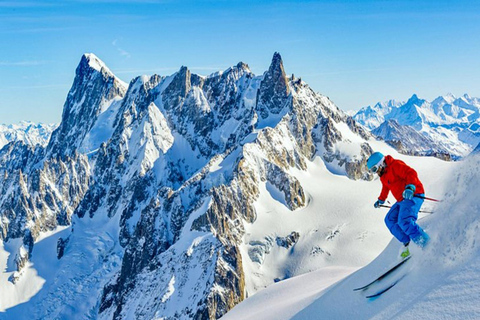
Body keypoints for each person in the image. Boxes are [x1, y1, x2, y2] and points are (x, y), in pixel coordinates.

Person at [367, 152, 430, 258]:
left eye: (374, 169)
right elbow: (385, 188)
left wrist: (410, 187)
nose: (375, 172)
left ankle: (426, 244)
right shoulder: (383, 175)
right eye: (372, 171)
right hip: (402, 199)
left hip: (414, 194)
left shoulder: (395, 165)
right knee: (389, 220)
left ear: (380, 163)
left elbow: (411, 173)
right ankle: (408, 243)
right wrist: (381, 200)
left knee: (404, 221)